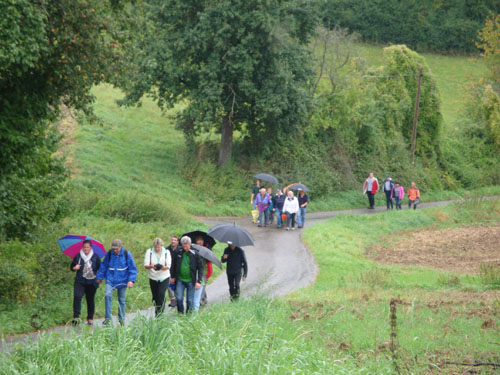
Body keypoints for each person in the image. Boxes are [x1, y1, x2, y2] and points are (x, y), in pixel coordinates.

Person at [96, 239, 137, 326]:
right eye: (113, 249)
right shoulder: (110, 254)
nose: (114, 250)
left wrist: (131, 280)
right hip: (110, 279)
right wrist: (100, 277)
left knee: (121, 300)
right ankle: (108, 318)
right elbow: (104, 265)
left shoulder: (126, 254)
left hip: (122, 280)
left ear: (120, 247)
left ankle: (121, 320)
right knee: (107, 295)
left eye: (116, 249)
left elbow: (132, 268)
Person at [70, 240, 101, 326]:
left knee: (90, 300)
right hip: (80, 281)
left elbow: (100, 268)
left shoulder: (95, 257)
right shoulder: (78, 257)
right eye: (84, 247)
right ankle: (76, 317)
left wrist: (99, 278)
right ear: (82, 248)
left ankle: (90, 318)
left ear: (90, 247)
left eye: (87, 247)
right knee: (77, 297)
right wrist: (75, 267)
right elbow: (71, 267)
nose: (86, 249)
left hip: (92, 282)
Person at [170, 236, 203, 314]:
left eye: (186, 246)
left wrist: (199, 281)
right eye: (183, 246)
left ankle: (188, 314)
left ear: (190, 244)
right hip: (180, 280)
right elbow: (173, 265)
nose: (185, 248)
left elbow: (200, 268)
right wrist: (172, 276)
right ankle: (180, 314)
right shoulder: (178, 252)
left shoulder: (195, 254)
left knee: (189, 300)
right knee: (179, 298)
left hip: (191, 280)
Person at [144, 238, 171, 317]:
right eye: (155, 247)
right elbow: (146, 265)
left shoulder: (166, 252)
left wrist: (161, 267)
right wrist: (152, 266)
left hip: (164, 276)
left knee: (161, 293)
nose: (157, 249)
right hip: (153, 277)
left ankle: (160, 314)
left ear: (161, 246)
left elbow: (168, 265)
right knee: (155, 296)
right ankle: (157, 310)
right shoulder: (149, 252)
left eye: (158, 247)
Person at [192, 236, 213, 311]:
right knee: (201, 288)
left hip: (204, 272)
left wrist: (208, 274)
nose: (199, 242)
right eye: (198, 240)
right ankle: (203, 300)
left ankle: (202, 301)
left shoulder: (206, 250)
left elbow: (209, 263)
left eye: (201, 240)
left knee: (202, 287)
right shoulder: (193, 249)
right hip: (195, 273)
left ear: (203, 241)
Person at [166, 235, 180, 307]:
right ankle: (173, 300)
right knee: (169, 286)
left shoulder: (180, 249)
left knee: (178, 285)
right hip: (169, 270)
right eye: (172, 240)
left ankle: (178, 299)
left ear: (177, 241)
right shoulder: (167, 249)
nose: (173, 241)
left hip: (178, 271)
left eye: (175, 240)